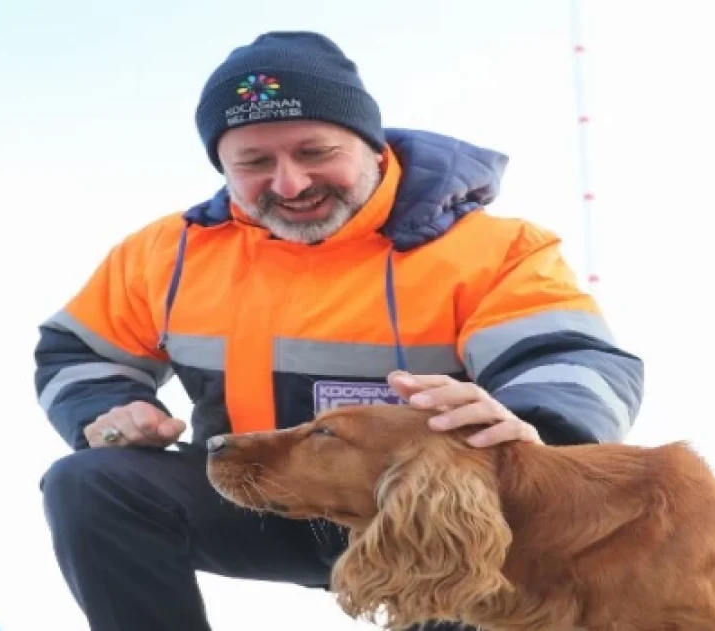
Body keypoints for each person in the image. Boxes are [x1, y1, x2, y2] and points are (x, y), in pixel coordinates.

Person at [34, 30, 644, 631]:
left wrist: (536, 421)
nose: (289, 183)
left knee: (485, 526)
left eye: (314, 151)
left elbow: (573, 359)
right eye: (253, 162)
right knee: (90, 483)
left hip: (427, 512)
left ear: (373, 146)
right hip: (256, 492)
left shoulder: (494, 248)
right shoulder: (164, 254)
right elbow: (77, 351)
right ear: (222, 166)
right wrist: (112, 409)